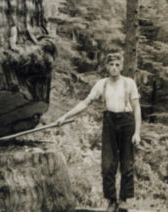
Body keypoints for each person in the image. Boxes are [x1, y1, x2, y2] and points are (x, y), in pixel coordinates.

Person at [56, 52, 141, 212]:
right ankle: (111, 200)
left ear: (121, 66)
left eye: (117, 65)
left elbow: (136, 109)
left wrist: (137, 132)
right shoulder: (102, 84)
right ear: (107, 66)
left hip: (127, 123)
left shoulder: (129, 83)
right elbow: (85, 103)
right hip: (109, 123)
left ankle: (123, 199)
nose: (114, 68)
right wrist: (65, 116)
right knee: (108, 164)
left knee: (127, 163)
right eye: (111, 65)